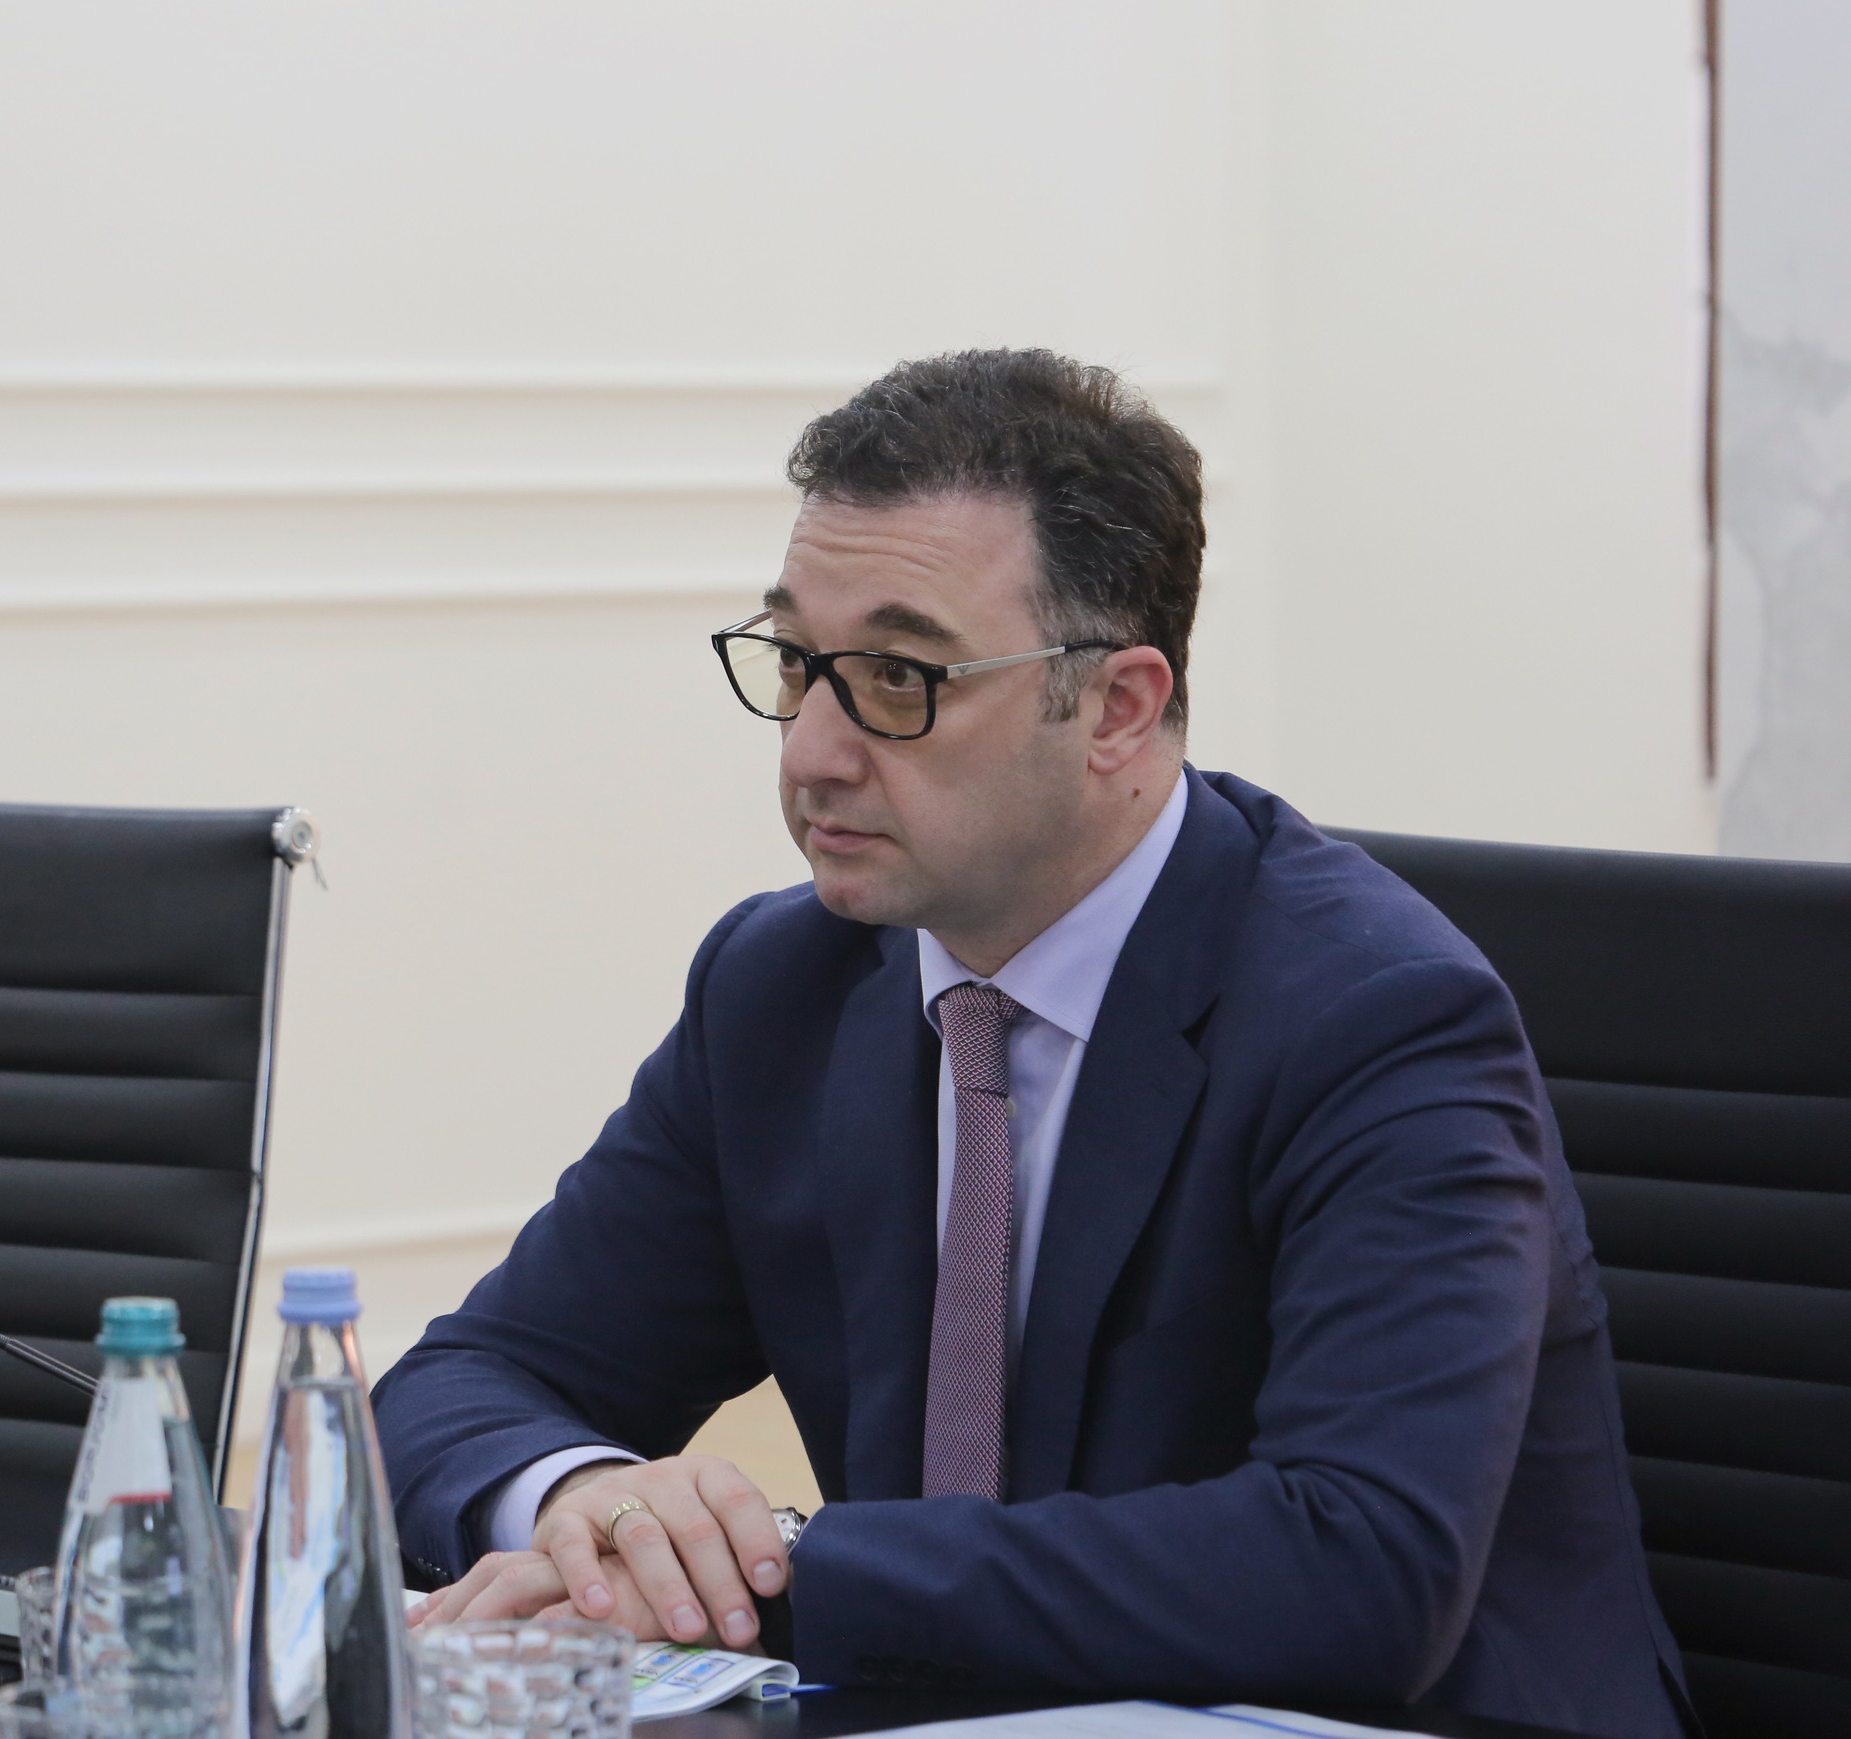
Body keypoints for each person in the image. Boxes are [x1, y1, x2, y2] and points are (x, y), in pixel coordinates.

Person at [372, 349, 1689, 1738]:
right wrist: (589, 1504)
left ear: (1118, 707)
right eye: (796, 664)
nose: (812, 753)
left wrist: (781, 1567)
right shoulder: (783, 986)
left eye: (898, 677)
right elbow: (459, 1388)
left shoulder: (1377, 1018)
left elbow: (1360, 1567)